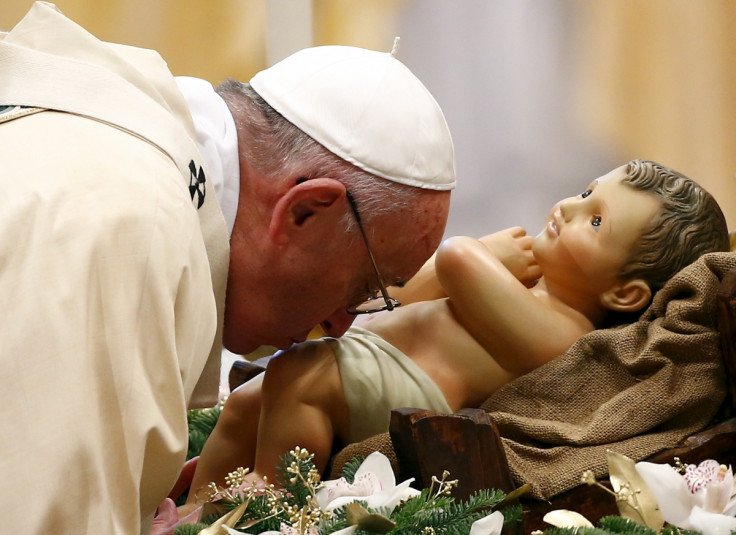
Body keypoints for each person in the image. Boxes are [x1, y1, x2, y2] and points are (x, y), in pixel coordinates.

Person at [0, 3, 455, 534]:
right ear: (305, 211)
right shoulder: (127, 225)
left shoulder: (111, 146)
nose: (340, 325)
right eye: (362, 286)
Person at [185, 159, 730, 505]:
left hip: (411, 392)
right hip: (369, 356)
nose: (568, 206)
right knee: (250, 400)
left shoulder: (561, 331)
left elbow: (454, 260)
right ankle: (202, 505)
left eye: (595, 220)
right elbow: (405, 291)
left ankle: (272, 497)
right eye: (586, 191)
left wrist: (483, 252)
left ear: (625, 295)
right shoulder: (528, 281)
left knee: (298, 380)